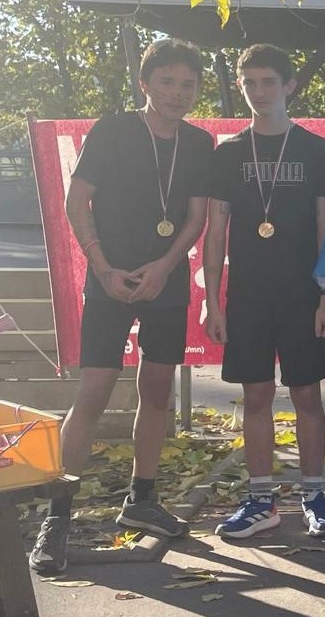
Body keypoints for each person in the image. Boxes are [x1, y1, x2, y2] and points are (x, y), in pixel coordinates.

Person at [30, 40, 213, 573]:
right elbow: (76, 202)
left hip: (165, 282)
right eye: (167, 82)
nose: (177, 94)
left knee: (156, 391)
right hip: (108, 279)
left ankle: (142, 499)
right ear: (145, 83)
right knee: (93, 392)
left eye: (187, 85)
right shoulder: (112, 129)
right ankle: (57, 517)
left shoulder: (198, 142)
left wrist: (164, 267)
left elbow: (195, 218)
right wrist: (104, 267)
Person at [203, 44, 325, 539]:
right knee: (256, 394)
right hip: (247, 295)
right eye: (250, 84)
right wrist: (212, 302)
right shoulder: (228, 153)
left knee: (307, 393)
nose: (259, 92)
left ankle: (315, 496)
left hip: (302, 292)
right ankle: (261, 500)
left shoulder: (315, 150)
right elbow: (215, 232)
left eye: (268, 82)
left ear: (289, 86)